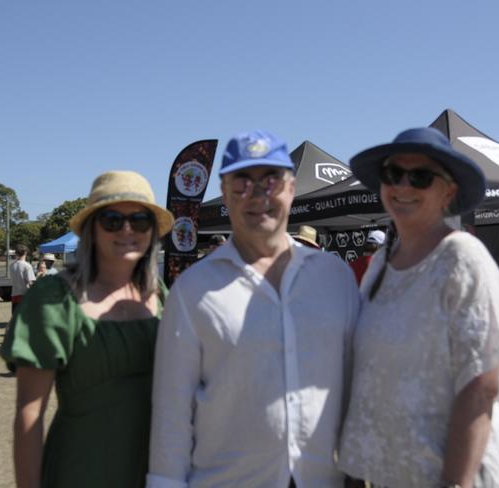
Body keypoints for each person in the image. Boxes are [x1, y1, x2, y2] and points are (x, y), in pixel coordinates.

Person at [148, 130, 360, 488]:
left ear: (291, 189)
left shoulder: (335, 278)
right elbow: (172, 410)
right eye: (242, 182)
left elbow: (357, 386)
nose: (257, 194)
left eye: (271, 180)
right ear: (225, 193)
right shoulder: (192, 289)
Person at [338, 127, 499, 487]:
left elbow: (482, 384)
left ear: (448, 192)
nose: (403, 186)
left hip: (454, 475)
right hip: (395, 473)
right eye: (393, 174)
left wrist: (456, 483)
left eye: (420, 177)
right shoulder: (380, 265)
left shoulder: (462, 258)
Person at [0, 171, 174, 488]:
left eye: (140, 220)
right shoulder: (53, 297)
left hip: (157, 470)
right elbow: (29, 414)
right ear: (91, 229)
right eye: (111, 219)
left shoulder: (159, 292)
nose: (126, 229)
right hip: (83, 467)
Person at [9, 244, 35, 315]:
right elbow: (30, 283)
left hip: (14, 294)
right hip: (24, 295)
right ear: (25, 252)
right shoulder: (27, 266)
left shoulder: (12, 266)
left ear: (16, 253)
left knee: (15, 318)